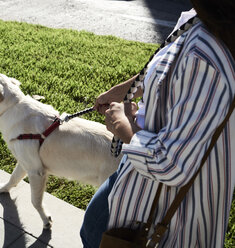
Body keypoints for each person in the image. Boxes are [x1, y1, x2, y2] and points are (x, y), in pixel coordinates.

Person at [80, 0, 235, 247]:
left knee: (95, 233)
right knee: (93, 228)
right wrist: (123, 91)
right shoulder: (199, 19)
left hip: (162, 198)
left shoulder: (204, 57)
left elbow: (171, 162)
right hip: (139, 167)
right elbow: (164, 67)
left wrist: (123, 126)